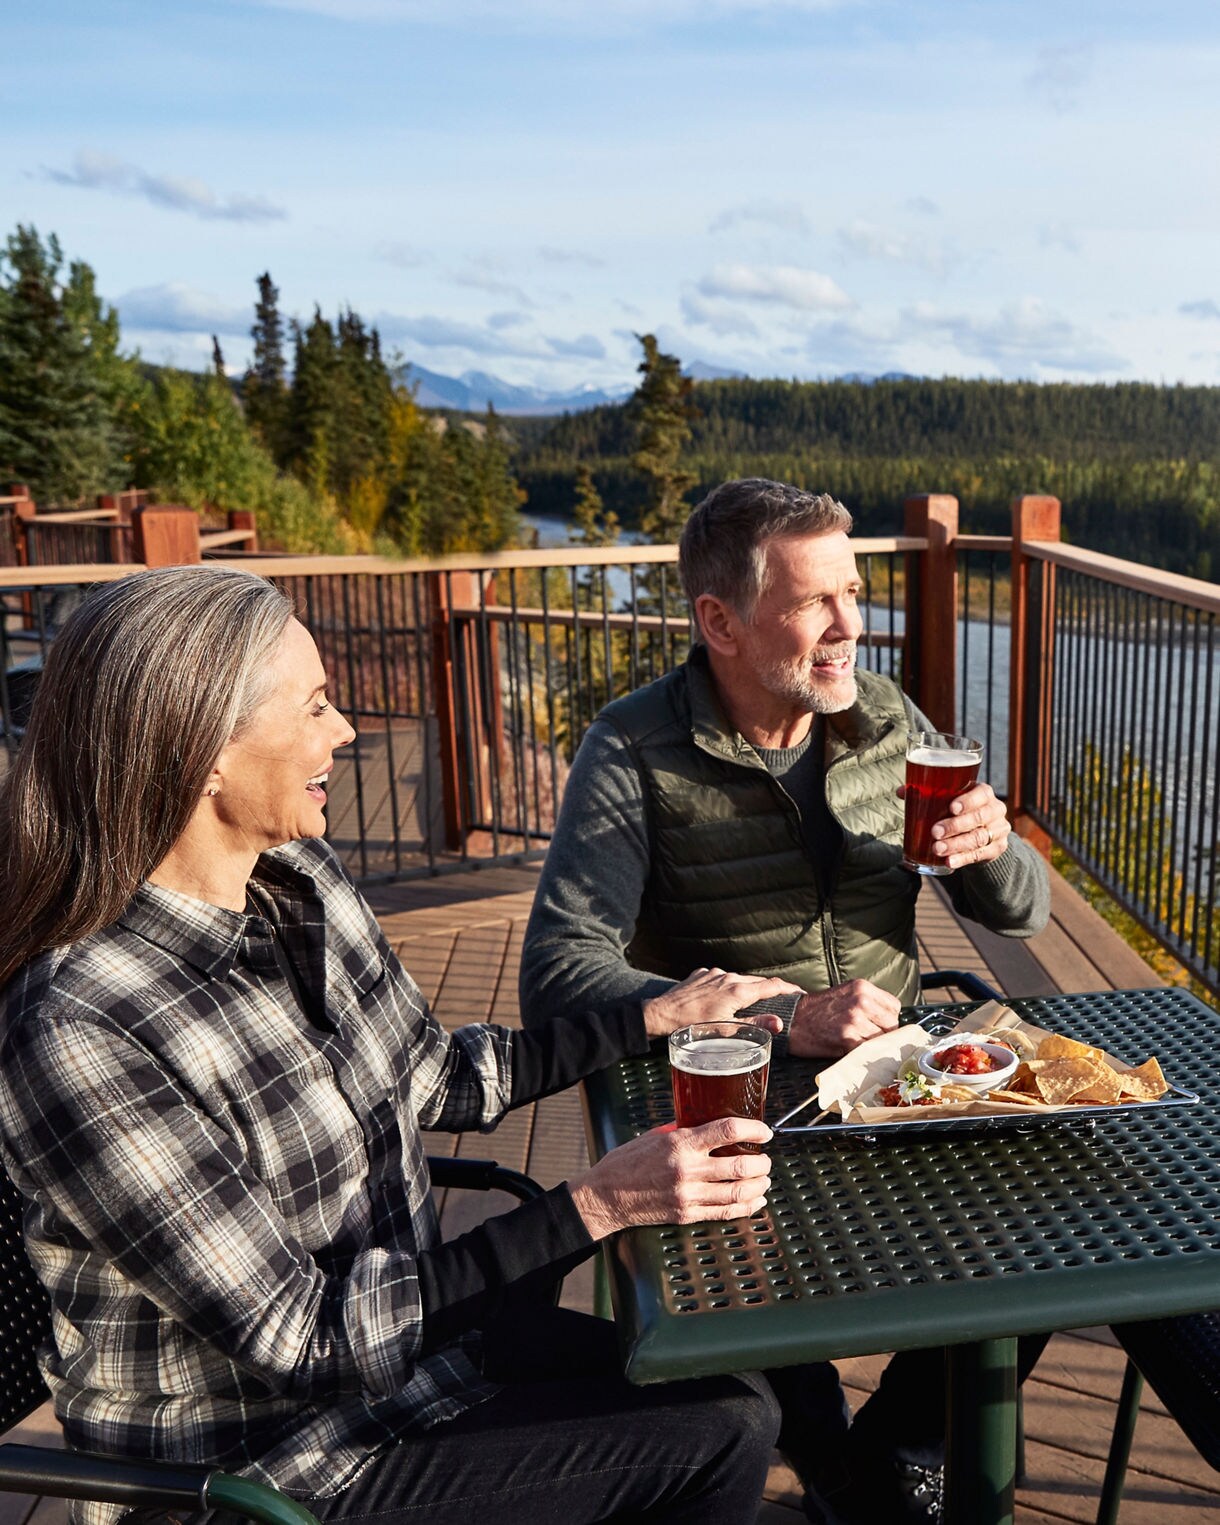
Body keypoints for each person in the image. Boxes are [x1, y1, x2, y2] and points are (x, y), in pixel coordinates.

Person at [0, 565, 800, 1525]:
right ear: (200, 750)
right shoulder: (83, 1032)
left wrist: (651, 1017)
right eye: (317, 705)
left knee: (732, 1385)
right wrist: (592, 1204)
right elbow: (298, 1337)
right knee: (717, 1429)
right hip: (264, 1471)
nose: (345, 731)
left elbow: (435, 1078)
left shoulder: (296, 880)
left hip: (410, 1364)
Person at [519, 478, 1052, 1524]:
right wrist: (776, 1016)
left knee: (1040, 1224)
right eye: (814, 603)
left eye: (852, 593)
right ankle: (851, 1480)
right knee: (752, 1286)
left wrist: (991, 851)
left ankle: (893, 1444)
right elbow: (556, 973)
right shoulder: (633, 749)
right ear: (717, 620)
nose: (851, 626)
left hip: (900, 1084)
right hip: (741, 1101)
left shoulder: (886, 717)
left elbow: (1024, 914)